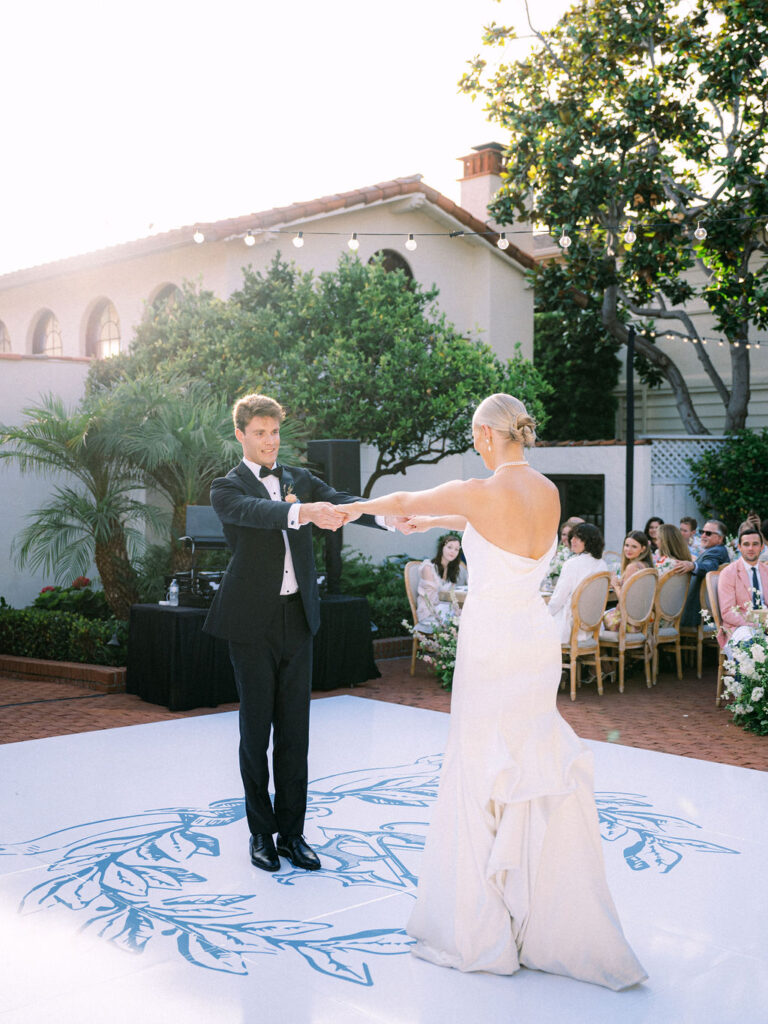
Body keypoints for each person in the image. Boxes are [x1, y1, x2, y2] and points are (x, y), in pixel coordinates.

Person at [339, 393, 646, 990]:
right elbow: (480, 524)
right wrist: (432, 522)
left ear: (485, 434)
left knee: (480, 762)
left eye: (474, 436)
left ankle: (481, 927)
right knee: (528, 758)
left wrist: (343, 508)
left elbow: (402, 501)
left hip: (490, 642)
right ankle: (535, 914)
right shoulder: (549, 492)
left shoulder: (477, 490)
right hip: (535, 640)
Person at [203, 394, 401, 874]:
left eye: (274, 433)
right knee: (256, 732)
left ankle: (293, 834)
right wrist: (303, 513)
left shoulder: (296, 479)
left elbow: (340, 500)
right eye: (260, 433)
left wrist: (386, 516)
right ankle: (260, 834)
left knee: (296, 732)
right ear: (241, 435)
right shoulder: (225, 488)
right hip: (251, 624)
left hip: (299, 618)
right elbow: (258, 513)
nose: (270, 442)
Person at [548, 522, 609, 644]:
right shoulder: (602, 565)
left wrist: (544, 614)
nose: (573, 540)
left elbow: (558, 599)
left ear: (590, 542)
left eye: (579, 538)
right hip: (592, 624)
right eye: (573, 537)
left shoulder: (572, 564)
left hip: (572, 625)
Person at [716, 524, 768, 650]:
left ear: (762, 547)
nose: (750, 548)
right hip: (740, 628)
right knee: (752, 646)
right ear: (739, 547)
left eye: (755, 544)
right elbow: (727, 612)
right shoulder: (728, 573)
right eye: (746, 544)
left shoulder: (766, 571)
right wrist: (757, 625)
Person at [674, 519, 730, 628]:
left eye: (708, 533)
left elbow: (710, 567)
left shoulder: (716, 551)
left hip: (696, 612)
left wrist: (693, 566)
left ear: (720, 538)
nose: (703, 535)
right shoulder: (717, 550)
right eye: (702, 532)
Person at [602, 531, 654, 631]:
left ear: (643, 549)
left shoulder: (632, 567)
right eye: (626, 545)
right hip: (643, 620)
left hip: (627, 623)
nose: (628, 550)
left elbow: (624, 599)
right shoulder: (646, 565)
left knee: (594, 619)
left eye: (634, 547)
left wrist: (615, 584)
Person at [416, 533, 468, 625]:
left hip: (445, 609)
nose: (452, 551)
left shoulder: (452, 570)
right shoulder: (428, 568)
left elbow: (452, 596)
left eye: (456, 549)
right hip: (429, 612)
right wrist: (452, 610)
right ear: (442, 548)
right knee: (463, 623)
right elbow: (431, 599)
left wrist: (456, 609)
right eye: (449, 547)